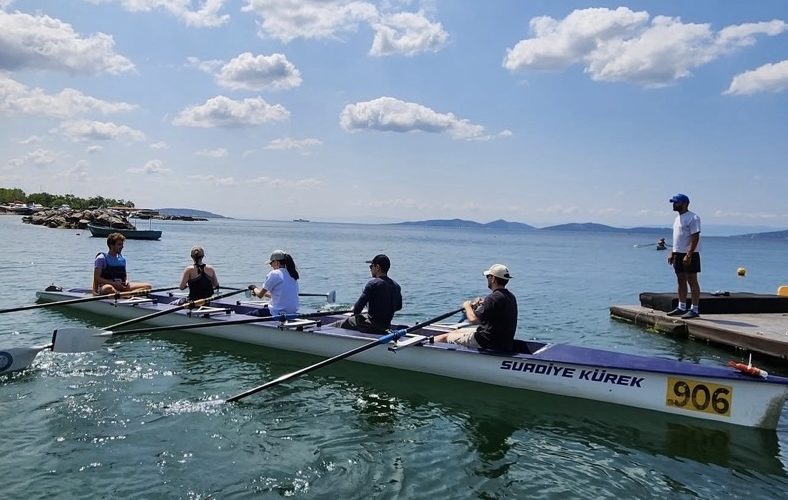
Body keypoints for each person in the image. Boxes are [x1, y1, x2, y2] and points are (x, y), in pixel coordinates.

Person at [433, 264, 518, 351]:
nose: (487, 279)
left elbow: (473, 320)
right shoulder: (510, 296)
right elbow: (492, 311)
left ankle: (426, 346)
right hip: (502, 341)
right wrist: (481, 305)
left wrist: (467, 306)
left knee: (446, 337)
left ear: (493, 279)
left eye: (488, 277)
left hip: (487, 341)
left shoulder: (493, 298)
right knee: (456, 332)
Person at [333, 254, 402, 334]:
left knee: (340, 324)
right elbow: (398, 307)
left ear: (377, 267)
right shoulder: (397, 286)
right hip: (385, 326)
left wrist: (356, 314)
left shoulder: (372, 284)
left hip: (370, 326)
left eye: (371, 266)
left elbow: (357, 308)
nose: (370, 269)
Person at [666, 193, 702, 319]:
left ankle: (695, 309)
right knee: (680, 280)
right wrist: (672, 252)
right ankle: (681, 307)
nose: (674, 205)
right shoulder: (677, 218)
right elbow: (677, 238)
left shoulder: (693, 218)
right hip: (678, 254)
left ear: (684, 204)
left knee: (692, 280)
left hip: (690, 254)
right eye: (673, 202)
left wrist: (689, 254)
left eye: (676, 202)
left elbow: (695, 236)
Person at [250, 250, 299, 315]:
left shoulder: (275, 273)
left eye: (271, 263)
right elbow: (280, 296)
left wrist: (254, 288)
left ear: (276, 262)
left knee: (247, 315)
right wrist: (263, 293)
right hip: (292, 313)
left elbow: (260, 295)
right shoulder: (292, 274)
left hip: (277, 313)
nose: (271, 266)